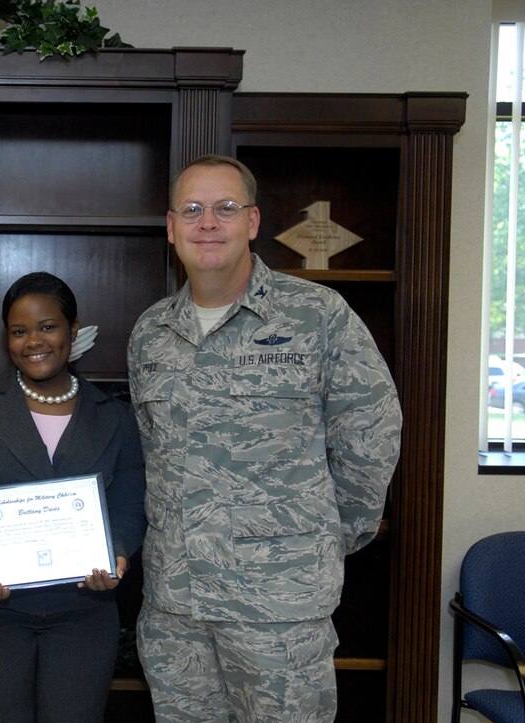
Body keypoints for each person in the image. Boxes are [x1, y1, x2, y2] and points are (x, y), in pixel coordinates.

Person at [127, 154, 403, 721]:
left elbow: (371, 437)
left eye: (226, 208)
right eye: (193, 209)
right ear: (171, 226)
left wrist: (317, 540)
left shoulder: (317, 316)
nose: (209, 223)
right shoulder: (151, 333)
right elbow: (151, 451)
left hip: (280, 608)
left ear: (252, 222)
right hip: (177, 610)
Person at [0, 271, 147, 723]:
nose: (34, 340)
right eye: (19, 330)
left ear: (72, 329)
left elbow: (128, 503)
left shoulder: (116, 416)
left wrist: (118, 555)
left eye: (47, 326)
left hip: (83, 612)